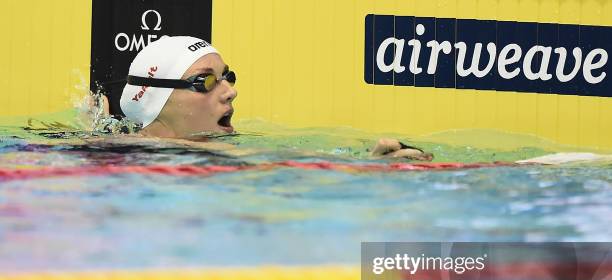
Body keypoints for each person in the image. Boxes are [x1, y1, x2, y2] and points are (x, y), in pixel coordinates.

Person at [113, 35, 431, 160]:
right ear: (159, 101)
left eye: (228, 76)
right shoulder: (114, 156)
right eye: (206, 81)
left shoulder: (235, 151)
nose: (230, 91)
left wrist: (367, 163)